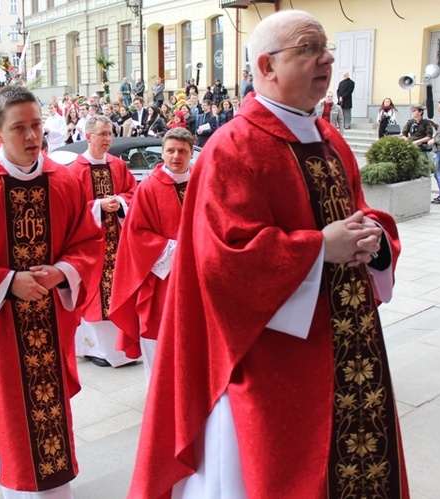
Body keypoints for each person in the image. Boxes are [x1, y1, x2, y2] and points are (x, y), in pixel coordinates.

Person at [130, 10, 408, 499]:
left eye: (326, 48)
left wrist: (377, 242)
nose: (326, 58)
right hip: (274, 358)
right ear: (267, 66)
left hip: (351, 345)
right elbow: (224, 258)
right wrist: (321, 248)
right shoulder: (232, 148)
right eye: (309, 49)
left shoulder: (330, 139)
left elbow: (360, 213)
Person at [0, 85, 103, 497]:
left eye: (37, 126)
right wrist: (8, 282)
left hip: (50, 325)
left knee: (50, 421)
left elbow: (88, 243)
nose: (31, 137)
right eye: (19, 128)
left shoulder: (63, 182)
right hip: (0, 332)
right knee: (13, 423)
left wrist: (62, 272)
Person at [110, 128, 193, 381]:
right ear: (163, 153)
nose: (176, 156)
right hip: (162, 278)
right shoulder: (149, 188)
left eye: (182, 151)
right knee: (160, 335)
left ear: (191, 153)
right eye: (170, 150)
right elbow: (136, 234)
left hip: (198, 274)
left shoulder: (202, 183)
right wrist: (176, 249)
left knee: (193, 335)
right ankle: (159, 393)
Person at [69, 115, 137, 368]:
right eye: (102, 134)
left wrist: (119, 202)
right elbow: (68, 209)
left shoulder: (118, 166)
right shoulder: (74, 171)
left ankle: (118, 349)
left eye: (110, 133)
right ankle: (93, 348)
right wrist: (98, 205)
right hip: (90, 245)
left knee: (116, 289)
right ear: (88, 137)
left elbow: (133, 193)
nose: (108, 139)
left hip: (118, 242)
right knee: (92, 295)